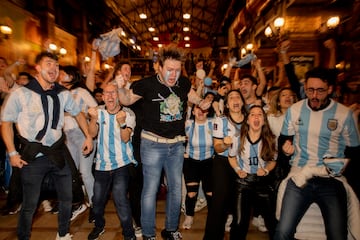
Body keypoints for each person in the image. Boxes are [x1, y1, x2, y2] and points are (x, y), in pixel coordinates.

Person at [116, 45, 211, 240]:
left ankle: (170, 229)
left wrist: (202, 102)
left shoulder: (183, 83)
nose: (173, 74)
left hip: (176, 145)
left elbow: (192, 96)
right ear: (159, 67)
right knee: (150, 190)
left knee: (176, 190)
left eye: (177, 70)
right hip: (152, 145)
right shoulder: (146, 84)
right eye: (169, 69)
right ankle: (149, 234)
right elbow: (126, 100)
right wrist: (119, 86)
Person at [1, 51, 93, 240]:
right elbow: (6, 123)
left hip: (58, 153)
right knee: (30, 204)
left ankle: (63, 233)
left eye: (56, 65)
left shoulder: (62, 94)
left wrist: (89, 137)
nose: (54, 68)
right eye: (49, 64)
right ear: (38, 68)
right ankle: (23, 236)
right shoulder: (21, 94)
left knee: (67, 198)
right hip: (33, 156)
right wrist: (11, 153)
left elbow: (78, 113)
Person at [274, 67, 360, 240]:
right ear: (305, 87)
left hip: (330, 179)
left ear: (330, 89)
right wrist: (285, 149)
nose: (314, 95)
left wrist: (342, 169)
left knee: (337, 235)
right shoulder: (295, 110)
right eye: (310, 90)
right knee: (282, 232)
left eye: (320, 90)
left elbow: (354, 153)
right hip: (300, 175)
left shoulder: (345, 115)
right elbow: (284, 140)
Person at [87, 82, 137, 240]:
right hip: (102, 164)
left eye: (113, 92)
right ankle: (99, 226)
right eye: (106, 93)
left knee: (120, 197)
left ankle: (129, 234)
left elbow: (125, 138)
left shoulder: (128, 114)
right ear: (102, 97)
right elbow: (92, 133)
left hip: (122, 163)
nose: (110, 96)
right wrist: (93, 118)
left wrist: (122, 123)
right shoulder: (98, 112)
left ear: (119, 96)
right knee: (97, 199)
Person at [228, 105, 277, 240]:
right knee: (238, 223)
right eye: (252, 114)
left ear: (264, 120)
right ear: (248, 120)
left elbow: (273, 161)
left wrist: (266, 170)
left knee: (272, 221)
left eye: (260, 114)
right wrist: (238, 170)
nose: (256, 117)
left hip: (263, 183)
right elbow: (231, 157)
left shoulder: (271, 139)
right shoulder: (237, 138)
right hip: (243, 182)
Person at [203, 89, 246, 240]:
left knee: (240, 206)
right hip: (223, 163)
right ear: (227, 104)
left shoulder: (249, 119)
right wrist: (225, 145)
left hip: (243, 164)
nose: (235, 100)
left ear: (242, 101)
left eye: (238, 97)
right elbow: (217, 147)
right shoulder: (221, 120)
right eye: (231, 98)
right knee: (218, 204)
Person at [58, 65, 98, 221]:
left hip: (82, 134)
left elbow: (94, 108)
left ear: (72, 76)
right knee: (71, 173)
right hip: (66, 136)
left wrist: (77, 114)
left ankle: (96, 205)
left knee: (85, 172)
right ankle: (78, 202)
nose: (59, 75)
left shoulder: (80, 92)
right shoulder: (59, 93)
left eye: (63, 73)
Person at [182, 104, 214, 230]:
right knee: (191, 193)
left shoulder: (213, 123)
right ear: (193, 111)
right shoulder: (187, 124)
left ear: (207, 112)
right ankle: (189, 216)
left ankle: (213, 218)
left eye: (204, 109)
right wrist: (182, 150)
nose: (201, 111)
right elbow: (177, 137)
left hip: (208, 162)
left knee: (210, 193)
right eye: (197, 109)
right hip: (191, 162)